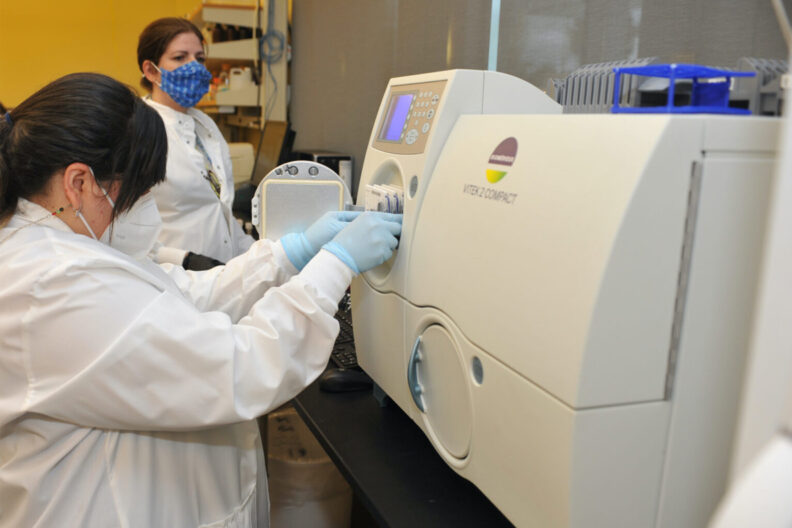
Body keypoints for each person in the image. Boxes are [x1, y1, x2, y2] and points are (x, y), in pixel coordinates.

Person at [0, 72, 402, 527]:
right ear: (78, 183)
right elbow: (239, 366)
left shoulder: (66, 250)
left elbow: (183, 296)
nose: (147, 205)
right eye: (142, 191)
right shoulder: (51, 284)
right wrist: (336, 264)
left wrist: (290, 254)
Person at [137, 17, 253, 271]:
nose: (194, 67)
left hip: (219, 275)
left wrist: (259, 255)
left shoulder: (204, 126)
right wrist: (184, 260)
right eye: (180, 58)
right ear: (151, 70)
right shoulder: (138, 131)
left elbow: (219, 208)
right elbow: (124, 230)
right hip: (172, 277)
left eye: (199, 58)